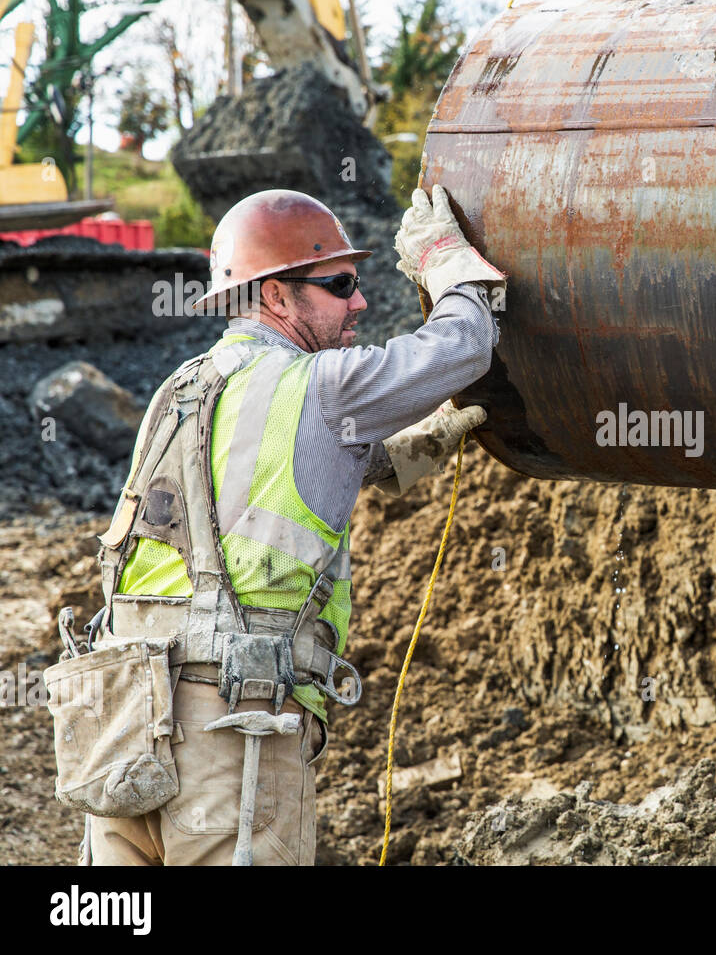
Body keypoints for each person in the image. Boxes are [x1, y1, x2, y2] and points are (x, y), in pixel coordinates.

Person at [66, 186, 503, 865]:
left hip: (124, 733)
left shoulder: (182, 387)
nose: (359, 301)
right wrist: (443, 258)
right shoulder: (318, 385)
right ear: (275, 297)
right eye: (339, 283)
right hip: (234, 731)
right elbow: (464, 348)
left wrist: (400, 457)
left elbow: (245, 494)